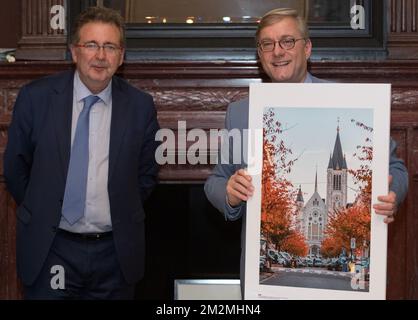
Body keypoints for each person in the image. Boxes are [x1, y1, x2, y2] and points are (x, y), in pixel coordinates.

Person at [204, 8, 408, 297]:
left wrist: (392, 196)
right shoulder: (240, 113)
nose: (277, 51)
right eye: (267, 44)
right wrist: (229, 192)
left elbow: (396, 169)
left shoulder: (349, 101)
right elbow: (214, 181)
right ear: (260, 54)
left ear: (307, 48)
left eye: (287, 41)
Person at [3, 6, 160, 299]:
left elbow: (146, 175)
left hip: (114, 254)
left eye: (110, 46)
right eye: (91, 45)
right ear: (75, 52)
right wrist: (44, 206)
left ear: (121, 56)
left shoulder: (140, 107)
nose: (100, 56)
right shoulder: (35, 99)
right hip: (52, 248)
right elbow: (15, 169)